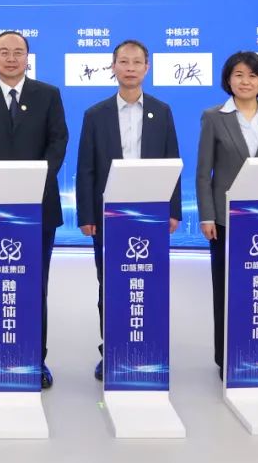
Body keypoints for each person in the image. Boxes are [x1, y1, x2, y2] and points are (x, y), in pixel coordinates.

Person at [0, 30, 68, 389]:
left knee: (35, 286)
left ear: (28, 57)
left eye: (18, 52)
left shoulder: (48, 95)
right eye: (4, 52)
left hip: (39, 208)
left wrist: (33, 182)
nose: (11, 58)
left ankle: (35, 359)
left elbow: (58, 142)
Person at [76, 39, 181, 382]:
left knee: (148, 283)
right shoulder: (96, 114)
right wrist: (86, 215)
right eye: (124, 62)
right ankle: (112, 351)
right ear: (113, 68)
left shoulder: (162, 111)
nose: (131, 68)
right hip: (108, 214)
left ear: (147, 68)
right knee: (110, 284)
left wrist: (173, 209)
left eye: (137, 62)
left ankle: (148, 348)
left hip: (151, 212)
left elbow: (172, 160)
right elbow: (86, 168)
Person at [196, 51, 258, 379]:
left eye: (252, 75)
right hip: (226, 220)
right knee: (227, 290)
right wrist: (207, 216)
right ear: (228, 80)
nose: (246, 81)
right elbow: (203, 172)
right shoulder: (214, 117)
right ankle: (227, 357)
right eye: (238, 75)